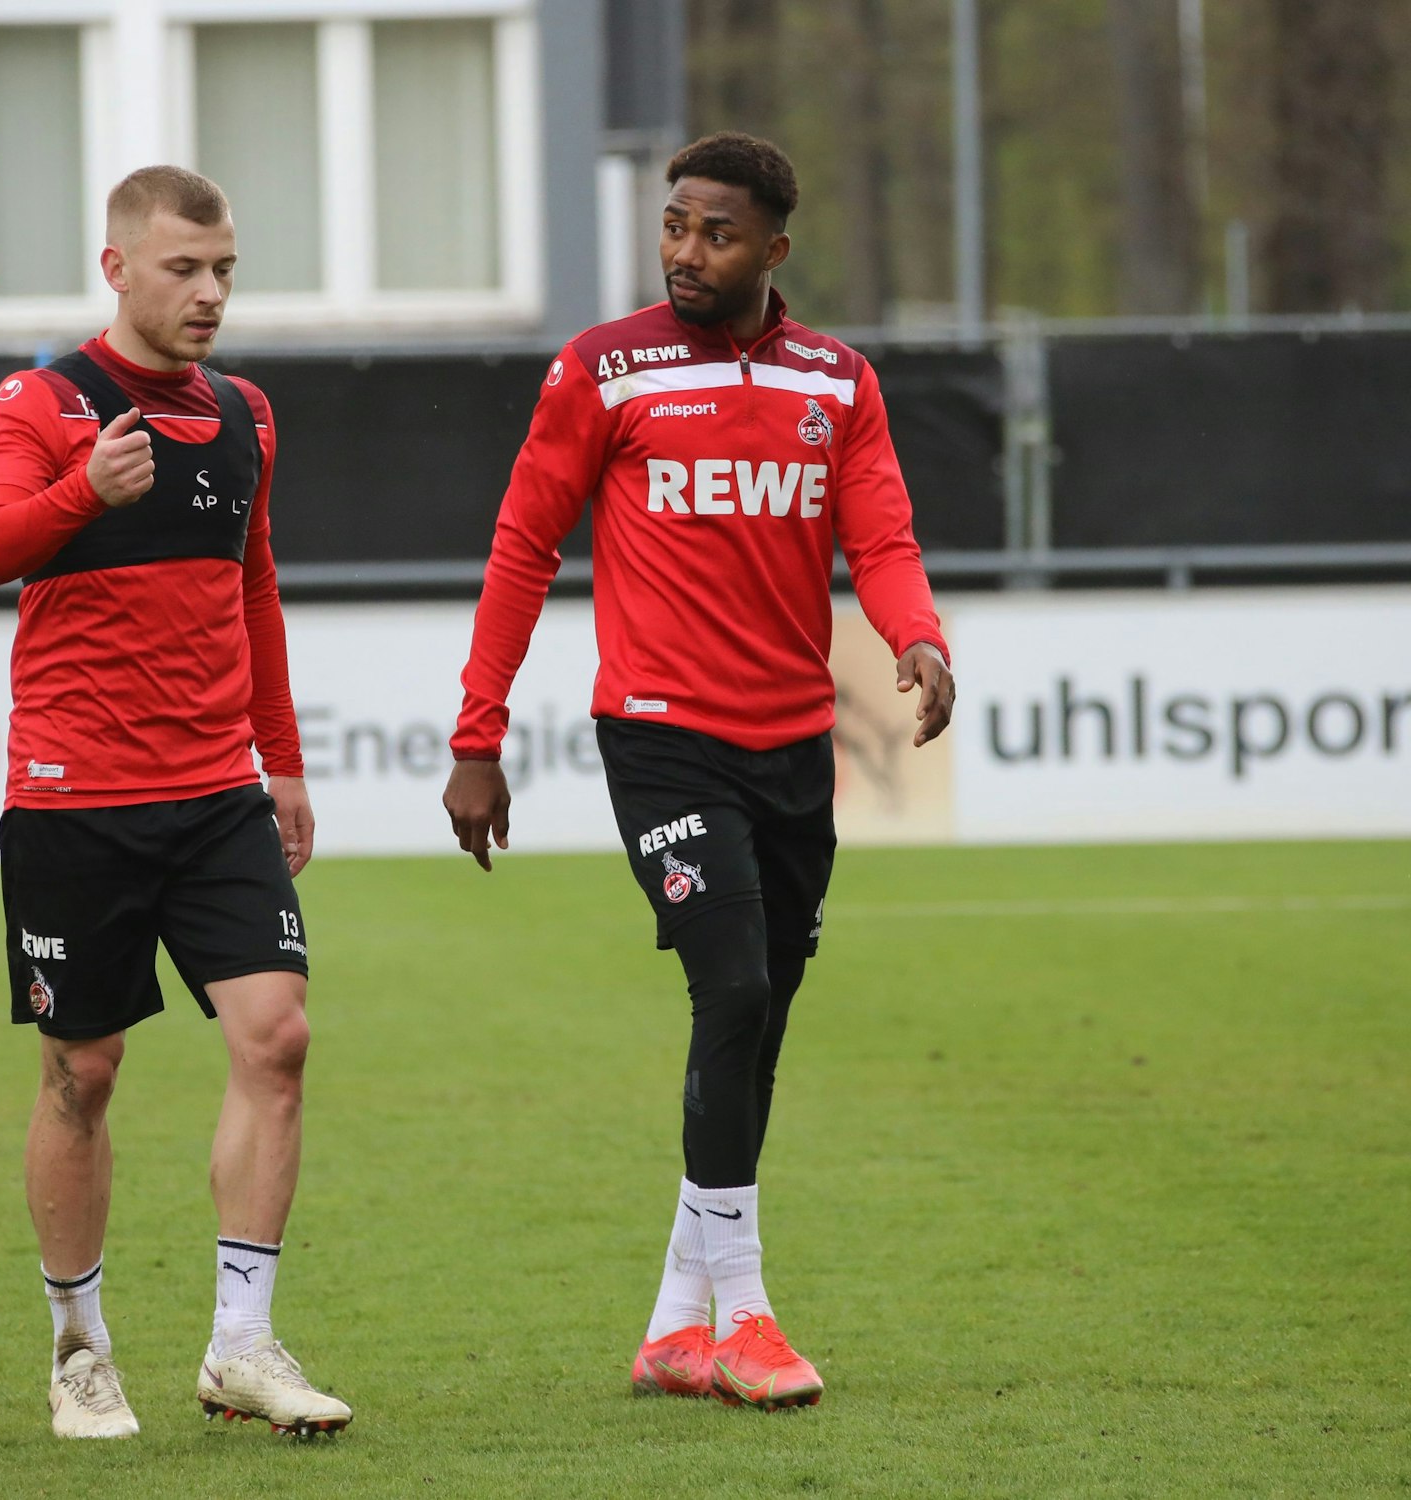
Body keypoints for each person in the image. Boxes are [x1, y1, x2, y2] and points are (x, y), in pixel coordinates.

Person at [442, 132, 955, 1410]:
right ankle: (751, 1317)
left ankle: (677, 1323)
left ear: (773, 250)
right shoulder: (602, 368)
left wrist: (919, 635)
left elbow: (878, 532)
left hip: (793, 744)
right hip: (661, 736)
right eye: (673, 225)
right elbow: (520, 545)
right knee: (730, 988)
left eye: (714, 233)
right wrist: (475, 736)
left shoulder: (836, 381)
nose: (684, 251)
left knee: (762, 1009)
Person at [0, 165, 350, 1441]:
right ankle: (79, 1348)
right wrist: (85, 493)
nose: (210, 293)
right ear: (116, 267)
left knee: (276, 1038)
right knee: (85, 1070)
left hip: (214, 796)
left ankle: (240, 1344)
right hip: (75, 799)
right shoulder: (39, 403)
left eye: (224, 268)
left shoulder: (246, 413)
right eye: (184, 269)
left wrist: (278, 758)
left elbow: (254, 588)